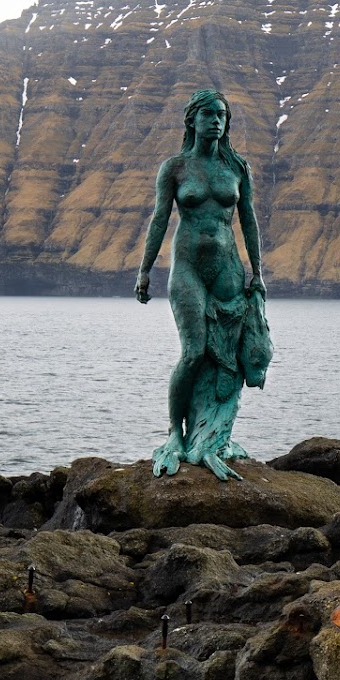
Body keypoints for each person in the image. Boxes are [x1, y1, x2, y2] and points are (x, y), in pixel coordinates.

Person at [135, 89, 271, 480]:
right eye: (208, 114)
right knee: (194, 352)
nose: (216, 120)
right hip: (189, 268)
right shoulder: (175, 168)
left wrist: (257, 272)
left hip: (228, 267)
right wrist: (145, 270)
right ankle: (175, 434)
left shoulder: (237, 168)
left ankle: (212, 436)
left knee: (225, 356)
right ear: (191, 120)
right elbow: (159, 220)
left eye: (222, 115)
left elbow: (249, 221)